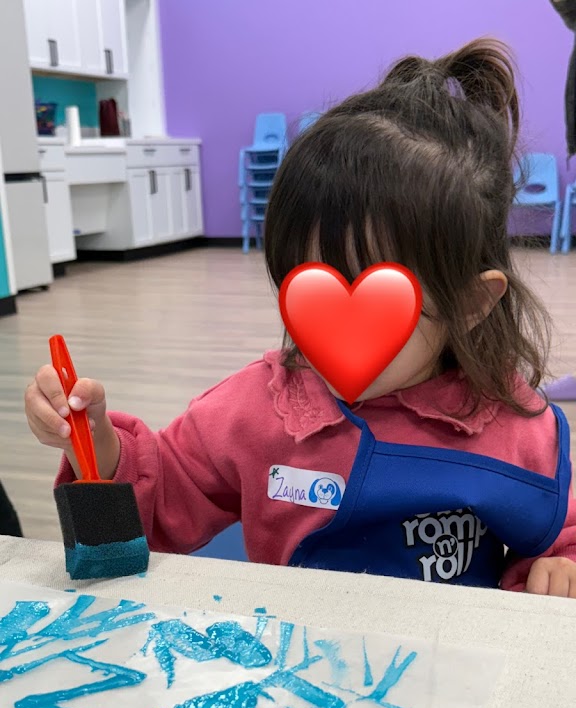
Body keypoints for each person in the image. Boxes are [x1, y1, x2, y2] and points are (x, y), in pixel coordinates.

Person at [25, 38, 576, 597]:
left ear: (471, 303)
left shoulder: (515, 429)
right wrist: (96, 444)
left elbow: (557, 537)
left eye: (377, 297)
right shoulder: (255, 410)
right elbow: (157, 509)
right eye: (310, 286)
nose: (335, 329)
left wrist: (550, 570)